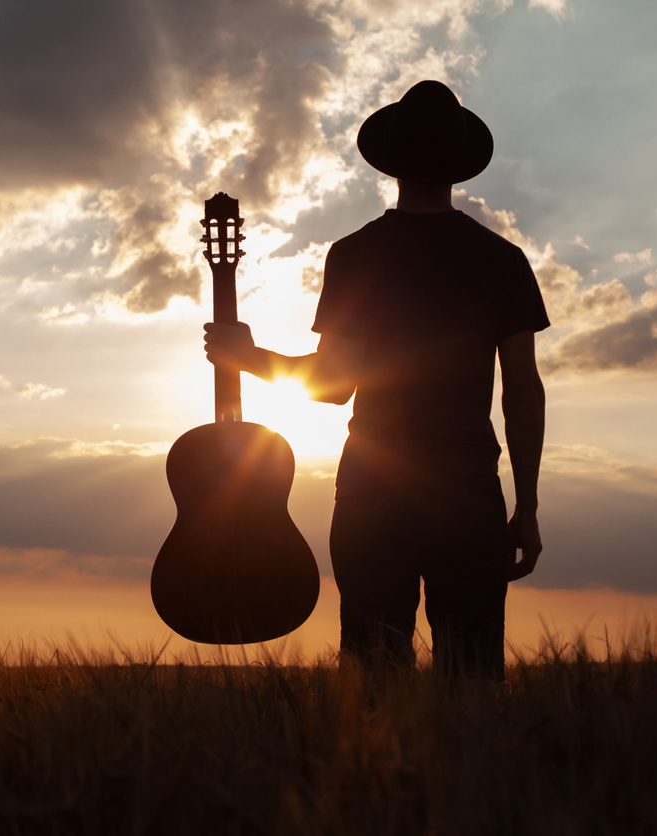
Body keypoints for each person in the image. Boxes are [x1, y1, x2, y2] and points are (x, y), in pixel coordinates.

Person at [204, 80, 549, 680]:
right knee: (472, 683)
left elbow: (333, 385)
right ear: (459, 165)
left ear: (392, 163)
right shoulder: (503, 260)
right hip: (468, 490)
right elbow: (523, 390)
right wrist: (527, 505)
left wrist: (248, 355)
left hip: (374, 489)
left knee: (373, 680)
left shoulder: (356, 254)